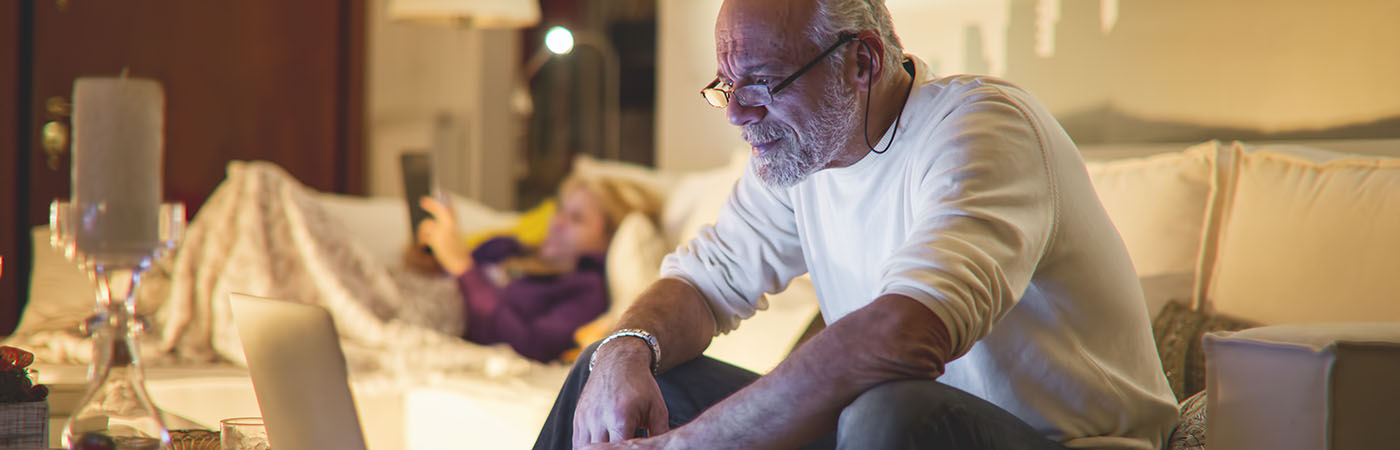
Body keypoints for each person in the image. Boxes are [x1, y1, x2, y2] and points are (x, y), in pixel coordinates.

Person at [532, 0, 1180, 449]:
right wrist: (626, 350)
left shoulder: (984, 129)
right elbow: (705, 281)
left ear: (862, 62)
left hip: (1059, 442)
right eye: (727, 87)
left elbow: (908, 333)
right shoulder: (803, 154)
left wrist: (692, 444)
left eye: (761, 83)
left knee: (887, 407)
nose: (736, 115)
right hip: (878, 434)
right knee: (617, 366)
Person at [407, 173, 662, 363]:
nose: (558, 222)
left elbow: (530, 345)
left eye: (576, 219)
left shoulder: (585, 290)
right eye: (561, 210)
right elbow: (439, 276)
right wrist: (431, 252)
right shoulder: (508, 248)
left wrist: (462, 266)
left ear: (607, 240)